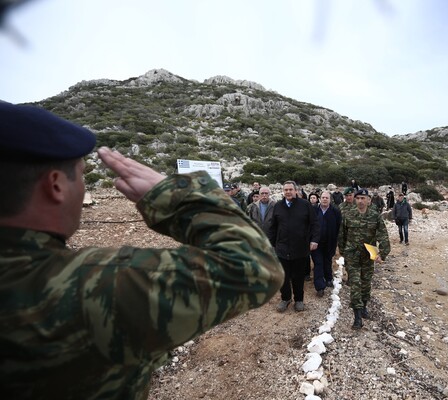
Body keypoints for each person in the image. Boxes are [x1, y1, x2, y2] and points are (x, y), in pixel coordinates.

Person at [0, 103, 284, 399]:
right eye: (82, 176)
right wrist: (179, 198)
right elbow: (255, 265)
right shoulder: (90, 286)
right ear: (56, 185)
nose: (83, 189)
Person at [338, 188, 390, 330]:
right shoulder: (348, 215)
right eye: (358, 198)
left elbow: (383, 235)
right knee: (355, 284)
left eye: (363, 198)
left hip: (368, 256)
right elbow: (341, 234)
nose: (360, 201)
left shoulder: (375, 216)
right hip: (352, 255)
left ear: (369, 200)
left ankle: (364, 306)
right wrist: (343, 251)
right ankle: (357, 317)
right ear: (355, 199)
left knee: (366, 283)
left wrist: (382, 253)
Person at [268, 181, 319, 313]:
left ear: (295, 191)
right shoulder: (278, 206)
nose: (288, 192)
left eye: (291, 189)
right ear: (283, 191)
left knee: (298, 276)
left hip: (300, 248)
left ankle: (299, 300)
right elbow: (273, 226)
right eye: (286, 190)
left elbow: (315, 224)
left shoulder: (305, 205)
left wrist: (314, 240)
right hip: (282, 248)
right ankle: (285, 299)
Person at [310, 191, 342, 297]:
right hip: (316, 243)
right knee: (318, 263)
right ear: (319, 199)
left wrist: (336, 241)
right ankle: (320, 287)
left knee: (327, 260)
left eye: (326, 198)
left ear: (330, 200)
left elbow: (338, 227)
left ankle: (328, 278)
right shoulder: (314, 210)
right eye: (323, 197)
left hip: (330, 242)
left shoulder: (335, 211)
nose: (324, 199)